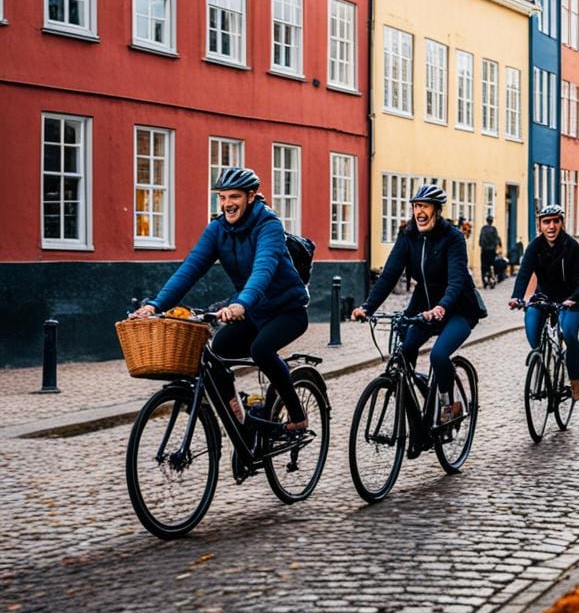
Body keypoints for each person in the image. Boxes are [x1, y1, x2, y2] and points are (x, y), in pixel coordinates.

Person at [131, 167, 310, 432]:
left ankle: (297, 416)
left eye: (234, 197)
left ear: (251, 196)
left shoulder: (268, 225)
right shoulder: (218, 230)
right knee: (215, 352)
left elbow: (263, 268)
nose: (227, 204)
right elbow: (190, 269)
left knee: (260, 350)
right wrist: (156, 305)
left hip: (286, 310)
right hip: (253, 312)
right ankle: (240, 419)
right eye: (222, 197)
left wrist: (241, 304)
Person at [351, 184, 484, 424]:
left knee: (439, 355)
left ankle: (447, 406)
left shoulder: (452, 237)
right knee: (404, 352)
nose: (418, 212)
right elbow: (389, 275)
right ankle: (415, 397)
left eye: (424, 206)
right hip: (424, 306)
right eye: (415, 206)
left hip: (458, 309)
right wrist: (368, 307)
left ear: (436, 209)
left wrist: (442, 307)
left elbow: (456, 281)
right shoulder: (408, 235)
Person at [509, 205, 579, 401]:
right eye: (546, 222)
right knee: (531, 326)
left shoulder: (571, 247)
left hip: (572, 299)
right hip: (544, 297)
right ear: (540, 226)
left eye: (555, 221)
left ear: (562, 223)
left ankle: (574, 384)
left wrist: (573, 298)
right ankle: (543, 365)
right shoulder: (535, 247)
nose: (551, 226)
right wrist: (517, 296)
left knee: (569, 333)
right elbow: (524, 274)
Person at [478, 215, 501, 289]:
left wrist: (482, 245)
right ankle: (492, 278)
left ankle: (484, 281)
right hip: (492, 251)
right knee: (492, 265)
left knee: (484, 266)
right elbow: (496, 240)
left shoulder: (483, 229)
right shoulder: (494, 229)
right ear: (492, 221)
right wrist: (495, 246)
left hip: (484, 250)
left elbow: (481, 240)